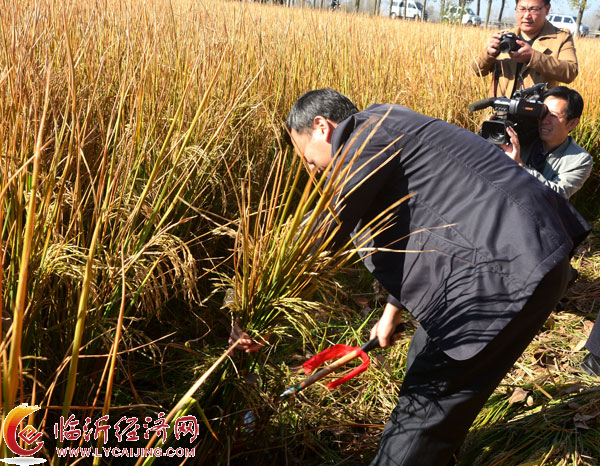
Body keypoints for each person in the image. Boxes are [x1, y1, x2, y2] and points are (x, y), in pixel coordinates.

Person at [231, 89, 590, 465]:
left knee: (426, 407)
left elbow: (326, 225)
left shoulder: (365, 135)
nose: (312, 170)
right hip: (515, 258)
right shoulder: (387, 124)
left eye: (308, 158)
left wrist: (251, 295)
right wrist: (391, 311)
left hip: (507, 273)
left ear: (322, 127)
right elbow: (424, 230)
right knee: (425, 357)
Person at [500, 86, 598, 377]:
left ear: (572, 123)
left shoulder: (580, 160)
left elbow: (555, 195)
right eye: (543, 113)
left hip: (542, 229)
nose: (544, 120)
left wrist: (518, 165)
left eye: (553, 116)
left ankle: (560, 273)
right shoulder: (523, 140)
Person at [472, 0, 578, 98]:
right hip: (498, 113)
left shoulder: (560, 38)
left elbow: (570, 72)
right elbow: (477, 71)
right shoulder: (503, 37)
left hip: (537, 114)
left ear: (547, 9)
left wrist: (532, 57)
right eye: (521, 9)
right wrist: (489, 54)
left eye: (534, 9)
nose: (526, 16)